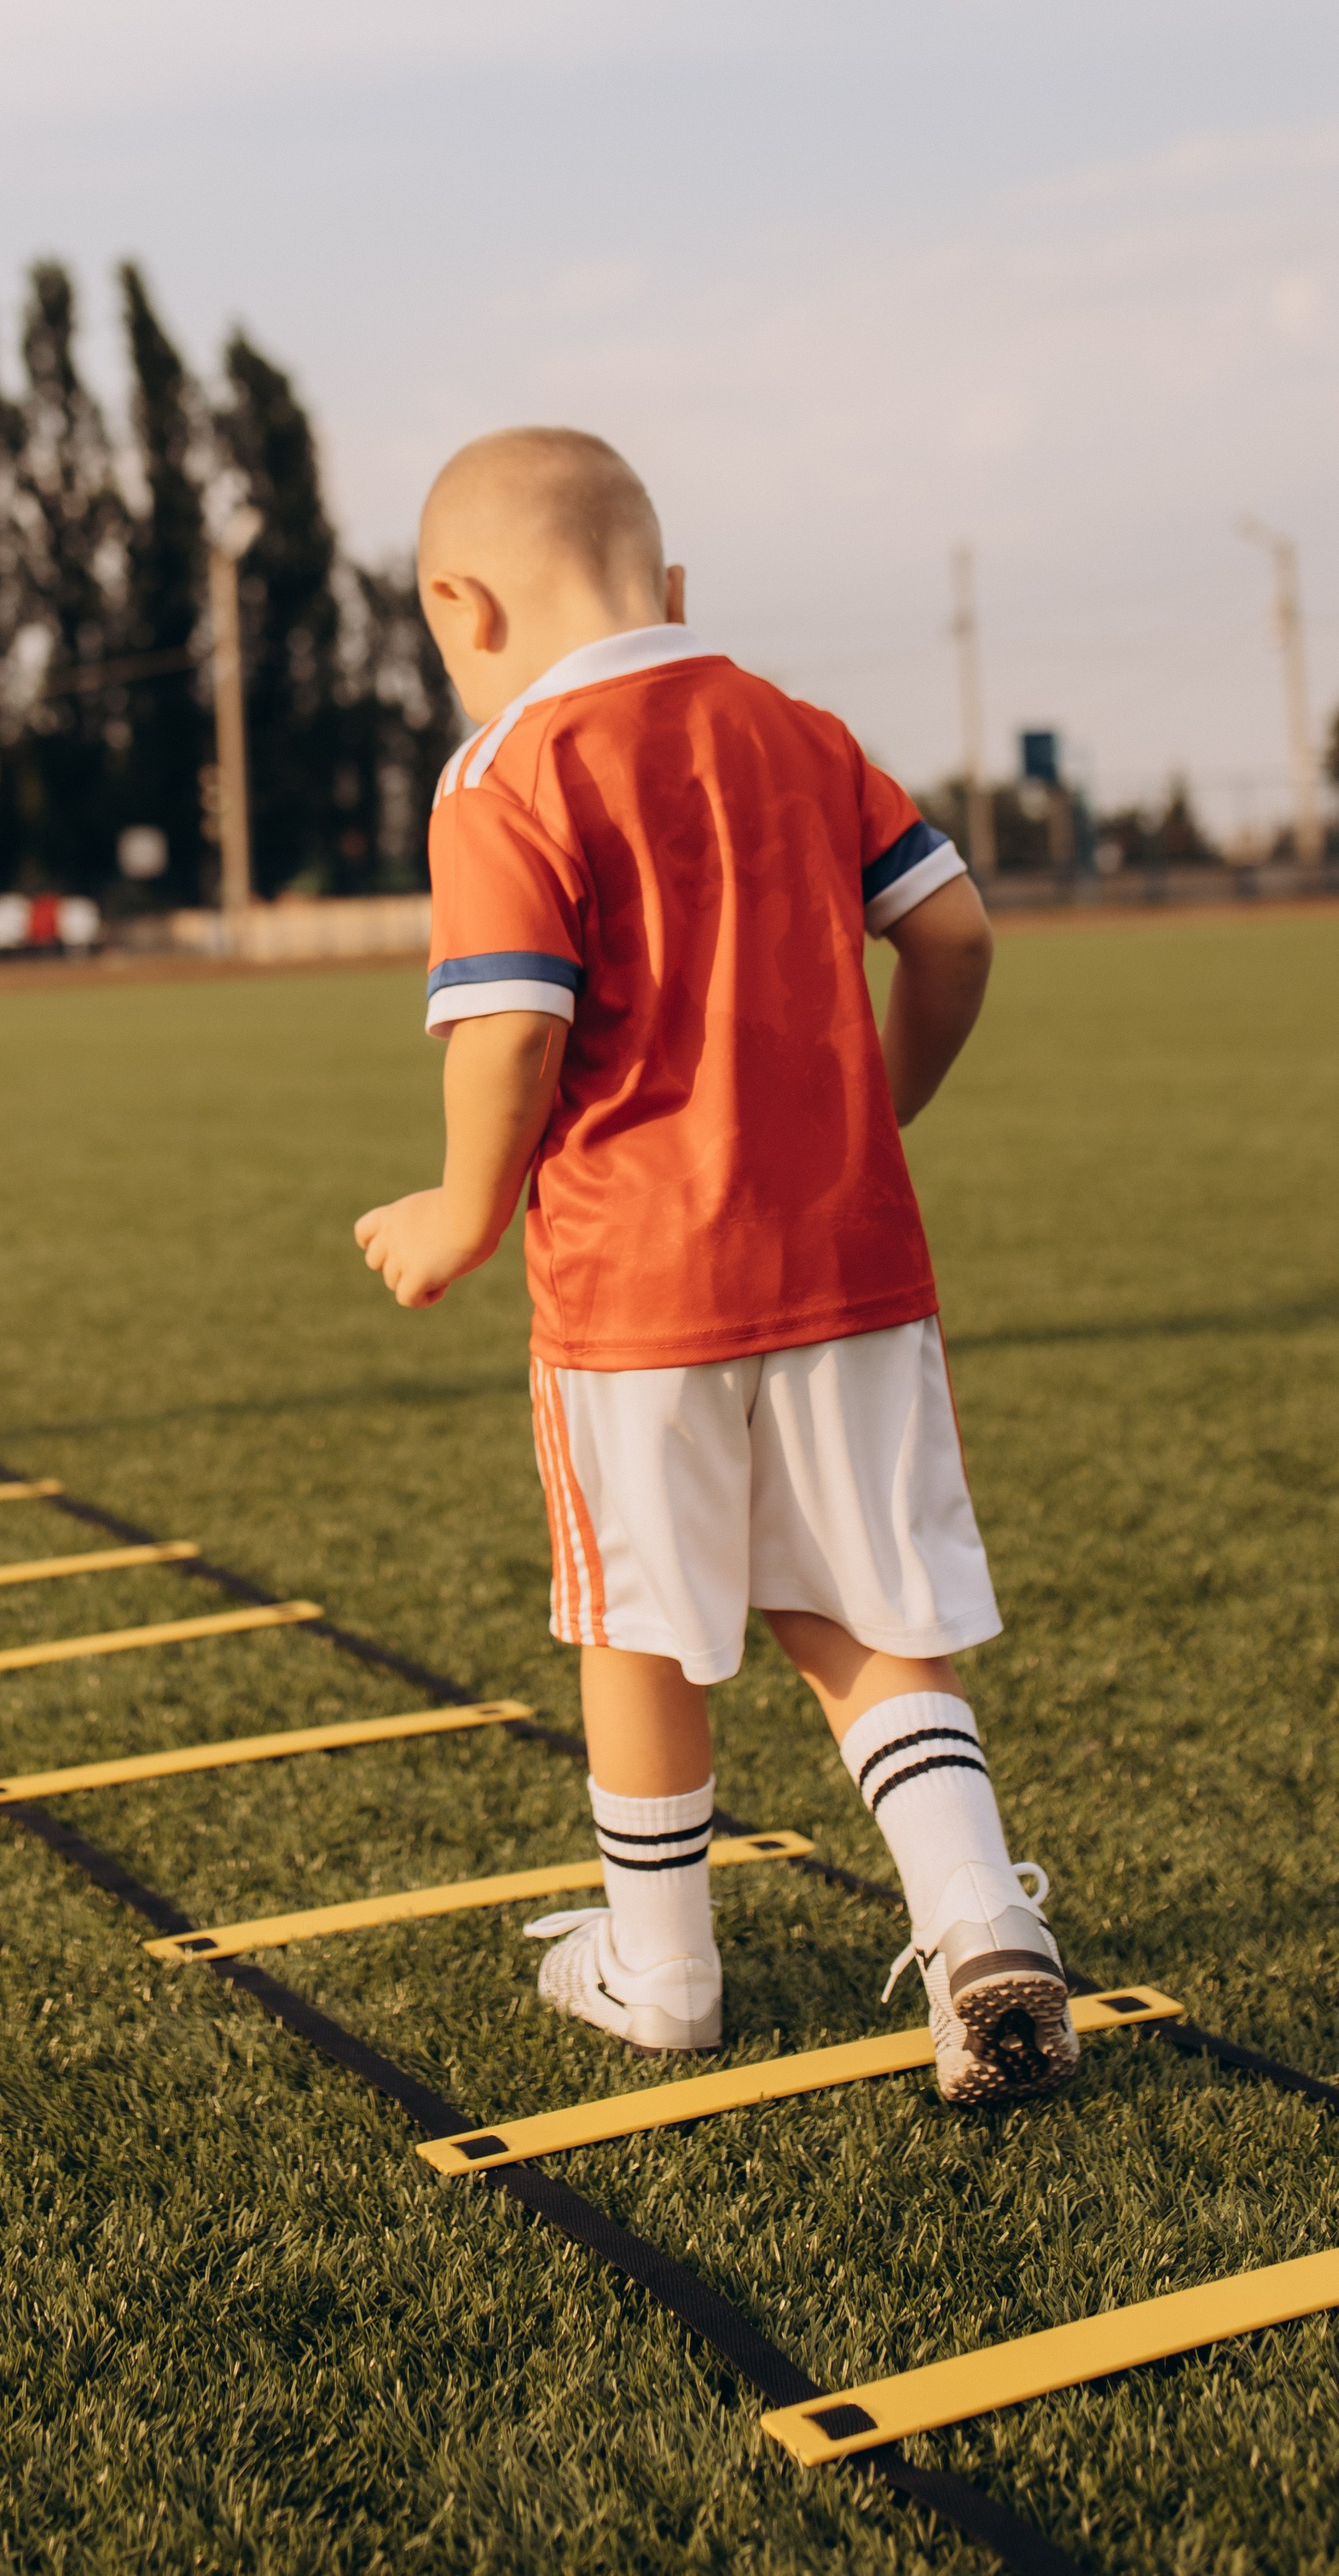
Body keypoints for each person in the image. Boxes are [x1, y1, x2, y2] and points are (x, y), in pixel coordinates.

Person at [353, 427, 1075, 2109]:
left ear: (461, 609)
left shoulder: (508, 767)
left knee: (639, 1626)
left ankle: (660, 1967)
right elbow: (952, 935)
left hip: (632, 1289)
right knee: (861, 1604)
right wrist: (878, 1108)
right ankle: (973, 1918)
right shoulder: (799, 731)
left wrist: (463, 1209)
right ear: (667, 588)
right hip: (849, 1264)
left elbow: (509, 1030)